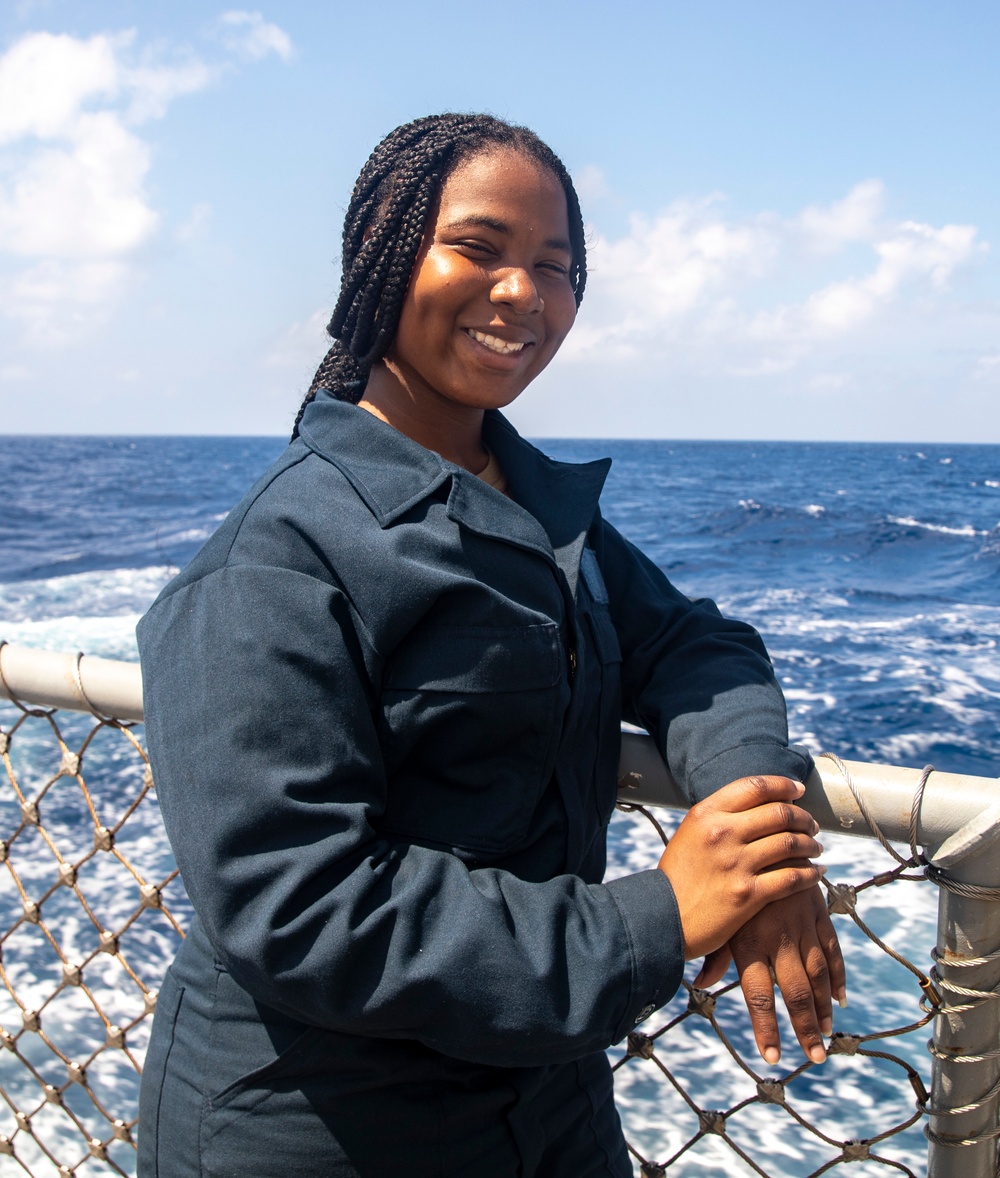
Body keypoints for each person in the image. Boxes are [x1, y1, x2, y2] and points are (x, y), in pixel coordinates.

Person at [136, 113, 844, 1177]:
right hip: (323, 1124)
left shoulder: (544, 513)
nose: (524, 292)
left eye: (556, 266)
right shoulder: (272, 561)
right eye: (477, 248)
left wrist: (754, 830)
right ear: (379, 255)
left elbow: (695, 644)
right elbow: (298, 901)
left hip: (545, 1099)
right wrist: (660, 914)